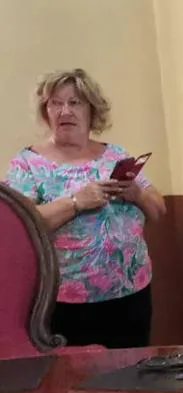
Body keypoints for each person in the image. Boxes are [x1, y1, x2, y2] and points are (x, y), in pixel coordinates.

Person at [5, 69, 165, 348]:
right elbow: (20, 227)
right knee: (76, 385)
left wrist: (136, 194)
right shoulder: (27, 163)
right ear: (46, 112)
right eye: (55, 103)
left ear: (92, 110)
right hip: (67, 302)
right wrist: (76, 203)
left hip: (132, 293)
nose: (65, 110)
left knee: (133, 379)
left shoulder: (116, 154)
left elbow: (158, 210)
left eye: (75, 102)